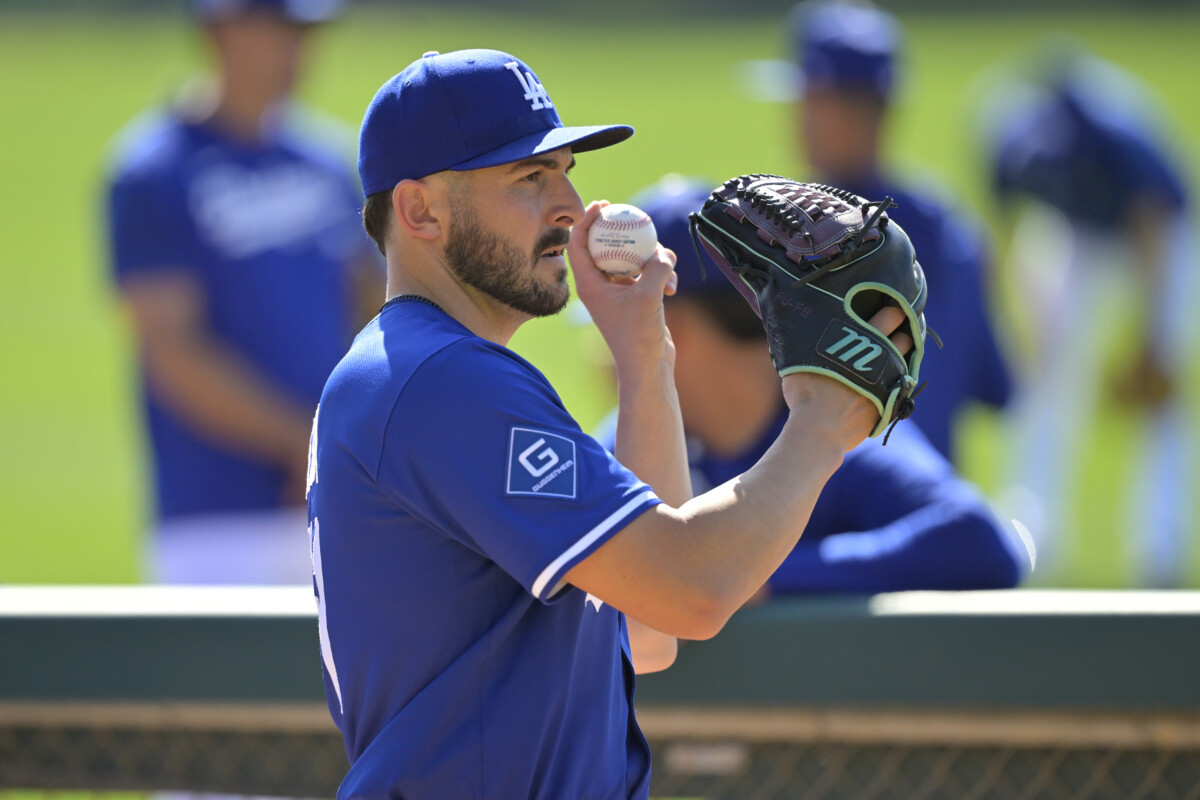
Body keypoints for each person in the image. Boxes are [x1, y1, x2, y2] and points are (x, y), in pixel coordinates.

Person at [307, 48, 915, 798]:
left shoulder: (421, 372)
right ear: (420, 210)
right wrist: (824, 425)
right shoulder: (439, 380)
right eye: (528, 178)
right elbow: (693, 587)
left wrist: (642, 351)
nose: (569, 205)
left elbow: (649, 630)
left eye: (563, 169)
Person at [593, 177, 1028, 595]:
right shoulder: (625, 439)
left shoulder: (843, 424)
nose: (606, 353)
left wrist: (755, 578)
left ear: (675, 331)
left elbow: (979, 543)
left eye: (619, 327)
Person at [104, 0, 381, 584]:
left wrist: (345, 438)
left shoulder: (329, 164)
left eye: (303, 33)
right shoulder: (154, 174)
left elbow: (375, 309)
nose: (296, 50)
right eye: (278, 30)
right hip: (215, 519)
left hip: (339, 502)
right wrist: (304, 443)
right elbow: (173, 350)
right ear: (219, 30)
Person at [985, 48, 1199, 586]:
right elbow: (1006, 236)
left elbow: (1153, 226)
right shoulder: (1005, 140)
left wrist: (1149, 342)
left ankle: (1161, 546)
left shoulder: (1121, 145)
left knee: (1160, 395)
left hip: (1159, 232)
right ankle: (1029, 531)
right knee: (1046, 382)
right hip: (1073, 230)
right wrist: (1028, 331)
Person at [781, 0, 1012, 462]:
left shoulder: (798, 234)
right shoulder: (952, 228)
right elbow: (995, 386)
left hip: (835, 506)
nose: (797, 118)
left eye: (809, 99)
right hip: (932, 502)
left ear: (861, 113)